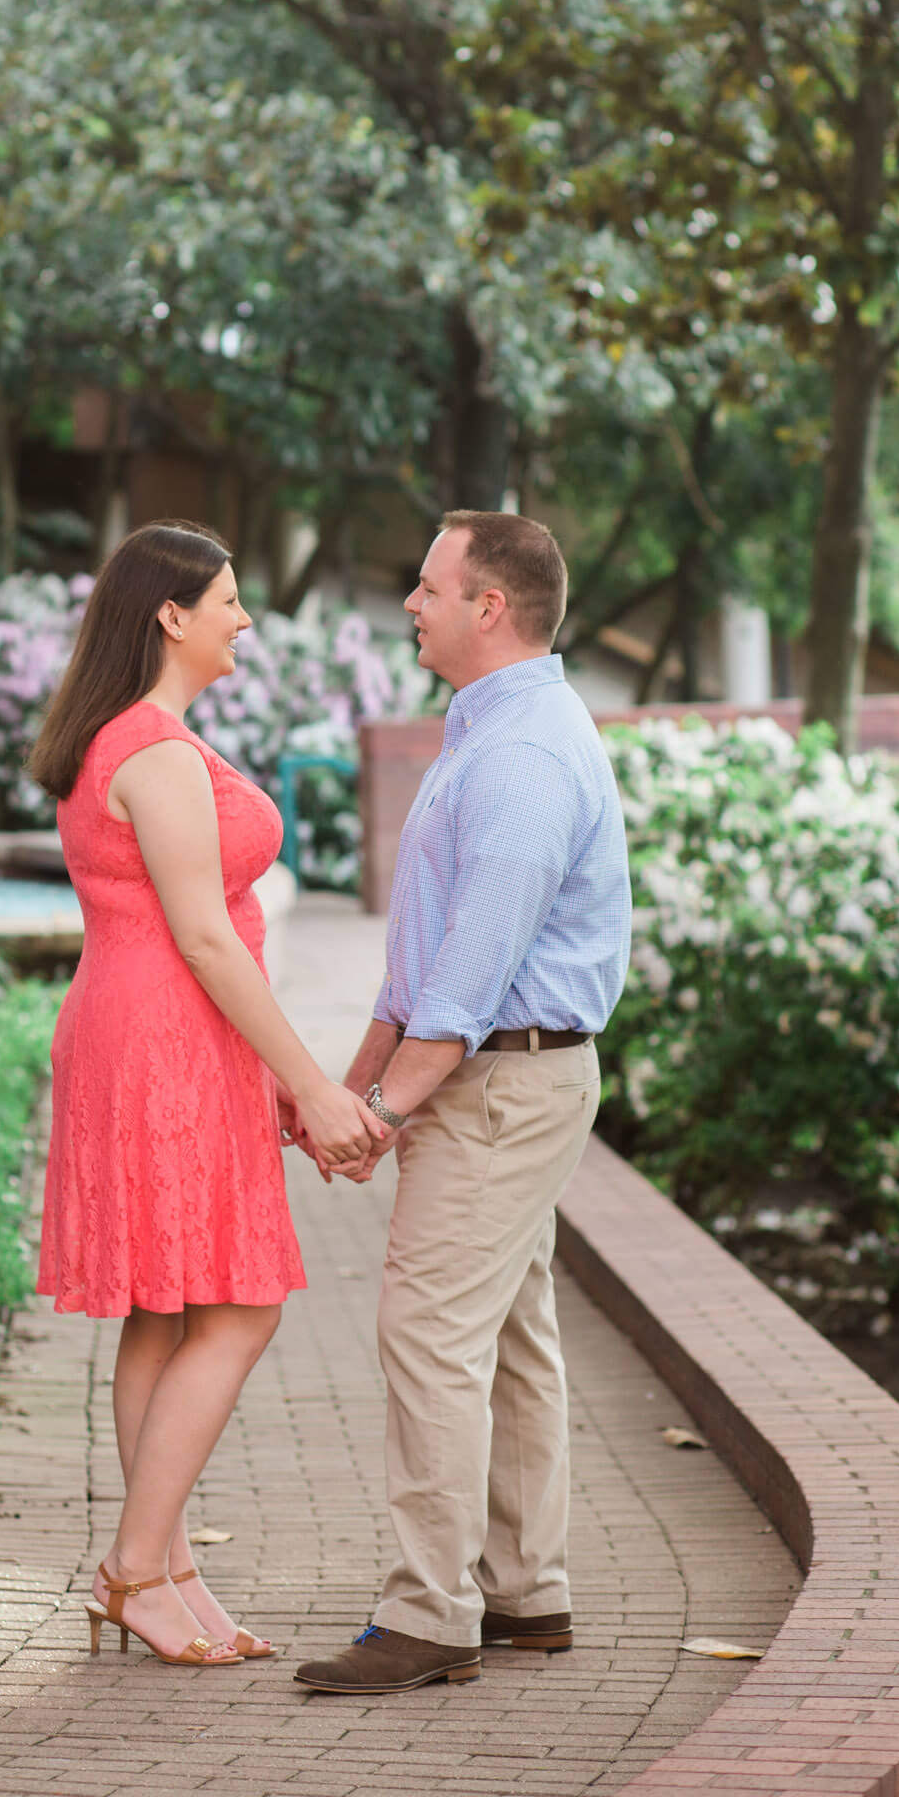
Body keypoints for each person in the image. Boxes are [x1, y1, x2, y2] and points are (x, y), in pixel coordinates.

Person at [32, 520, 385, 1670]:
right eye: (228, 600)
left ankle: (170, 1571)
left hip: (142, 1032)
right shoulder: (156, 752)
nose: (244, 618)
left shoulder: (116, 740)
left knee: (167, 1306)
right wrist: (312, 1084)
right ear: (170, 615)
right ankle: (136, 1564)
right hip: (166, 1040)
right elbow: (207, 941)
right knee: (240, 1306)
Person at [292, 512, 632, 1695]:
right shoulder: (486, 728)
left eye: (428, 586)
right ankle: (526, 1592)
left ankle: (432, 1613)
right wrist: (351, 1084)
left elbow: (469, 986)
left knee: (428, 1333)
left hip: (505, 1079)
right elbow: (423, 962)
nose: (410, 604)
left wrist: (377, 1115)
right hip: (496, 1074)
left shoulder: (525, 756)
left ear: (490, 606)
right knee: (513, 1334)